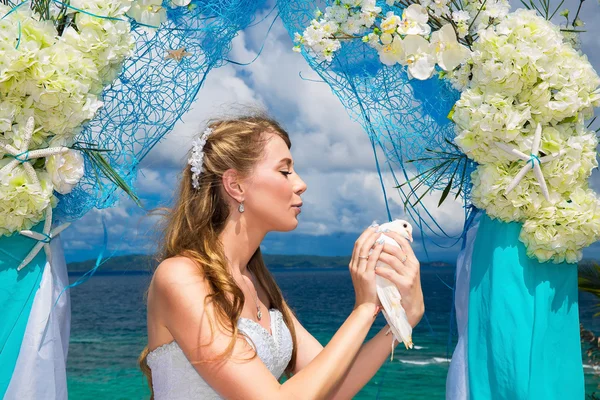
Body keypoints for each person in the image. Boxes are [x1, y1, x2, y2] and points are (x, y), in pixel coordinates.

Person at [138, 113, 424, 399]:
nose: (301, 184)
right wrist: (364, 309)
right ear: (235, 186)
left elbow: (333, 389)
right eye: (285, 171)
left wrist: (400, 322)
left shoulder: (258, 284)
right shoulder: (179, 278)